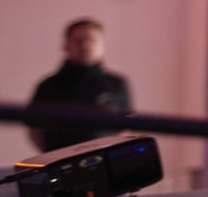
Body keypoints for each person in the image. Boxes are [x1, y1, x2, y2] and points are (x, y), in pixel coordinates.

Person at [27, 18, 132, 153]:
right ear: (66, 45)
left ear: (102, 45)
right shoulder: (48, 86)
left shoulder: (117, 84)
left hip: (105, 160)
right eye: (79, 41)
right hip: (61, 161)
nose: (85, 45)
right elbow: (34, 129)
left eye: (92, 40)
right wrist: (55, 157)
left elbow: (124, 128)